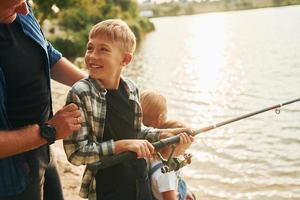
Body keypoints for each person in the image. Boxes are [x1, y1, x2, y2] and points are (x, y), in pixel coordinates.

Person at [63, 19, 193, 200]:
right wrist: (121, 145)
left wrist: (165, 134)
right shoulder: (80, 93)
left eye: (103, 49)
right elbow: (76, 154)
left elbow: (136, 132)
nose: (92, 56)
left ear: (125, 59)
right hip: (108, 188)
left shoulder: (131, 88)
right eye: (90, 48)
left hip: (141, 180)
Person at [0, 1, 86, 200]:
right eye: (12, 5)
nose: (24, 9)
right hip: (9, 178)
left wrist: (93, 85)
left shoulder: (21, 6)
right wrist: (50, 131)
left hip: (44, 151)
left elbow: (46, 52)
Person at [140, 90, 196, 200]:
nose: (183, 154)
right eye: (183, 151)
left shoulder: (151, 156)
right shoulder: (166, 173)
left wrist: (185, 192)